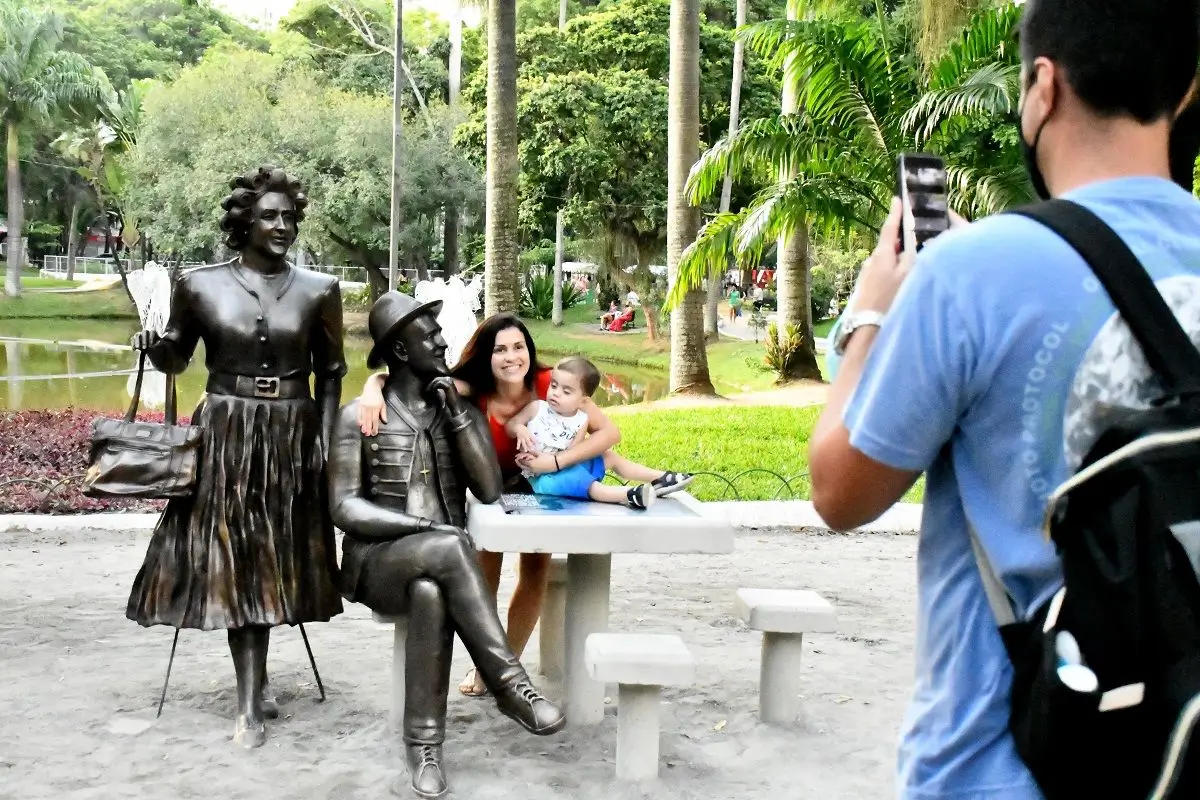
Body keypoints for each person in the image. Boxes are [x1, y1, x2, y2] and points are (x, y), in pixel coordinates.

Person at [808, 1, 1200, 797]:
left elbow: (839, 491)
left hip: (1002, 761)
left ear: (1042, 89)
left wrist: (873, 314)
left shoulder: (968, 275)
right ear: (1180, 92)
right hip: (1176, 749)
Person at [356, 313, 692, 696]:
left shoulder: (552, 385)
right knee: (485, 578)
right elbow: (412, 378)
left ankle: (505, 670)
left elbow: (609, 433)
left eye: (519, 347)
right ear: (486, 355)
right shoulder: (472, 389)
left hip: (544, 488)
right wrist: (373, 383)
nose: (511, 357)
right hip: (492, 494)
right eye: (500, 349)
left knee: (535, 570)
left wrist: (554, 462)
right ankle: (488, 661)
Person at [126, 166, 345, 748]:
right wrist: (158, 345)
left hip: (291, 434)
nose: (283, 226)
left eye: (290, 217)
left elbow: (331, 374)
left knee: (275, 557)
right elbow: (177, 360)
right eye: (270, 215)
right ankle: (248, 702)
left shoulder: (320, 289)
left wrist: (323, 439)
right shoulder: (198, 284)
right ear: (244, 220)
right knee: (238, 555)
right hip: (226, 432)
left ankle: (259, 680)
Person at [328, 292, 564, 800]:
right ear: (400, 350)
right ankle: (508, 684)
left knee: (432, 592)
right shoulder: (359, 416)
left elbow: (488, 488)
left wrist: (457, 414)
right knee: (450, 546)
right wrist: (424, 530)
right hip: (376, 561)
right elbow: (345, 508)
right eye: (428, 333)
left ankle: (424, 748)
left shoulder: (456, 405)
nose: (441, 340)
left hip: (439, 565)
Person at [506, 356, 692, 509]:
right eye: (553, 386)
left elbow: (572, 453)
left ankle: (659, 479)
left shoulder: (581, 421)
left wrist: (557, 461)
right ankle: (627, 495)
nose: (556, 393)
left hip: (558, 467)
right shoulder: (537, 408)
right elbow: (511, 425)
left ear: (582, 400)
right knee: (584, 482)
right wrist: (520, 428)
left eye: (566, 391)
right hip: (539, 478)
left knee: (607, 456)